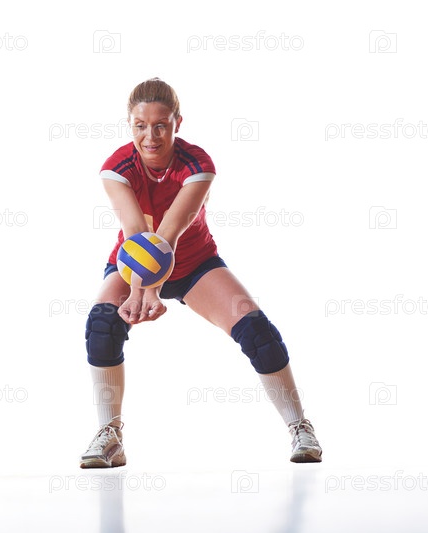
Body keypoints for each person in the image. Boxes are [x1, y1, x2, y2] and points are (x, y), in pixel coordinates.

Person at [80, 78, 322, 468]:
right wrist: (139, 292)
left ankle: (300, 427)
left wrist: (151, 292)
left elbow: (168, 234)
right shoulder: (116, 168)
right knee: (102, 325)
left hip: (193, 261)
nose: (150, 136)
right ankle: (110, 435)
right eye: (140, 126)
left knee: (257, 332)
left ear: (177, 122)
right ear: (130, 125)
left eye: (161, 125)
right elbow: (138, 235)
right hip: (132, 262)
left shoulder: (198, 166)